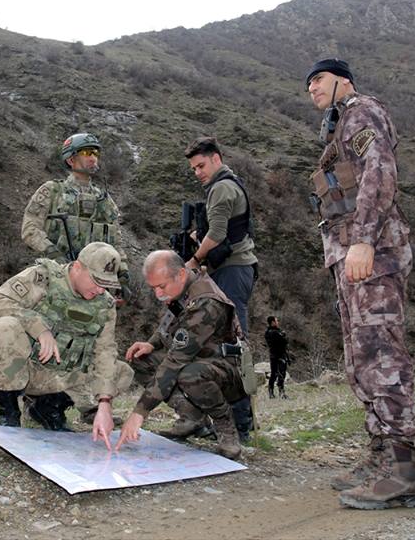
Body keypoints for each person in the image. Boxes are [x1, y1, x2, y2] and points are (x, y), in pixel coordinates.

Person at [306, 58, 415, 509]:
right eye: (309, 85)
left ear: (343, 79)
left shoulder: (361, 111)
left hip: (371, 253)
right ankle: (382, 455)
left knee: (381, 355)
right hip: (349, 256)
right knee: (360, 358)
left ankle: (405, 469)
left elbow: (380, 171)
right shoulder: (337, 130)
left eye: (318, 79)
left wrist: (363, 240)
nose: (312, 90)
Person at [21, 132, 131, 425]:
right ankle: (37, 401)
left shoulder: (104, 199)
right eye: (86, 152)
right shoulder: (52, 191)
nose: (92, 157)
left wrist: (123, 271)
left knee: (96, 341)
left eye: (95, 152)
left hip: (96, 284)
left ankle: (91, 404)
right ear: (71, 159)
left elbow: (115, 239)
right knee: (55, 340)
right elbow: (29, 228)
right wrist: (53, 253)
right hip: (60, 280)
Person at [0, 242, 132, 445]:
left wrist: (104, 403)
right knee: (6, 326)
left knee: (121, 372)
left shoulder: (105, 305)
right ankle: (9, 417)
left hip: (65, 378)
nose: (100, 289)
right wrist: (39, 328)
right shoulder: (42, 278)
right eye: (96, 281)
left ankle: (48, 408)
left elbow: (105, 351)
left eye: (106, 284)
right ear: (78, 268)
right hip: (27, 371)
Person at [116, 250, 247, 460]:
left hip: (227, 368)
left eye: (161, 287)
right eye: (153, 288)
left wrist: (140, 412)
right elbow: (170, 325)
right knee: (140, 358)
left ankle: (225, 427)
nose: (158, 294)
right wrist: (150, 344)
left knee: (188, 373)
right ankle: (192, 418)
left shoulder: (205, 303)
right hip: (196, 358)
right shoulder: (183, 287)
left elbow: (175, 360)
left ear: (181, 275)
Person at [182, 137, 257, 441]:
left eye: (201, 165)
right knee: (219, 345)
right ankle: (226, 421)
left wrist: (195, 259)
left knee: (232, 347)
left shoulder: (223, 186)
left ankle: (241, 426)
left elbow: (218, 233)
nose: (197, 172)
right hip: (232, 269)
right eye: (193, 168)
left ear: (216, 158)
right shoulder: (225, 184)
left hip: (231, 270)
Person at [264, 316, 289, 399]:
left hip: (279, 355)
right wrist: (282, 336)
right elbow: (284, 341)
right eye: (276, 321)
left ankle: (280, 392)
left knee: (280, 373)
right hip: (276, 355)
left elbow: (285, 341)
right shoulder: (271, 332)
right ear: (273, 322)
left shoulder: (276, 331)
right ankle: (273, 392)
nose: (278, 322)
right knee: (275, 374)